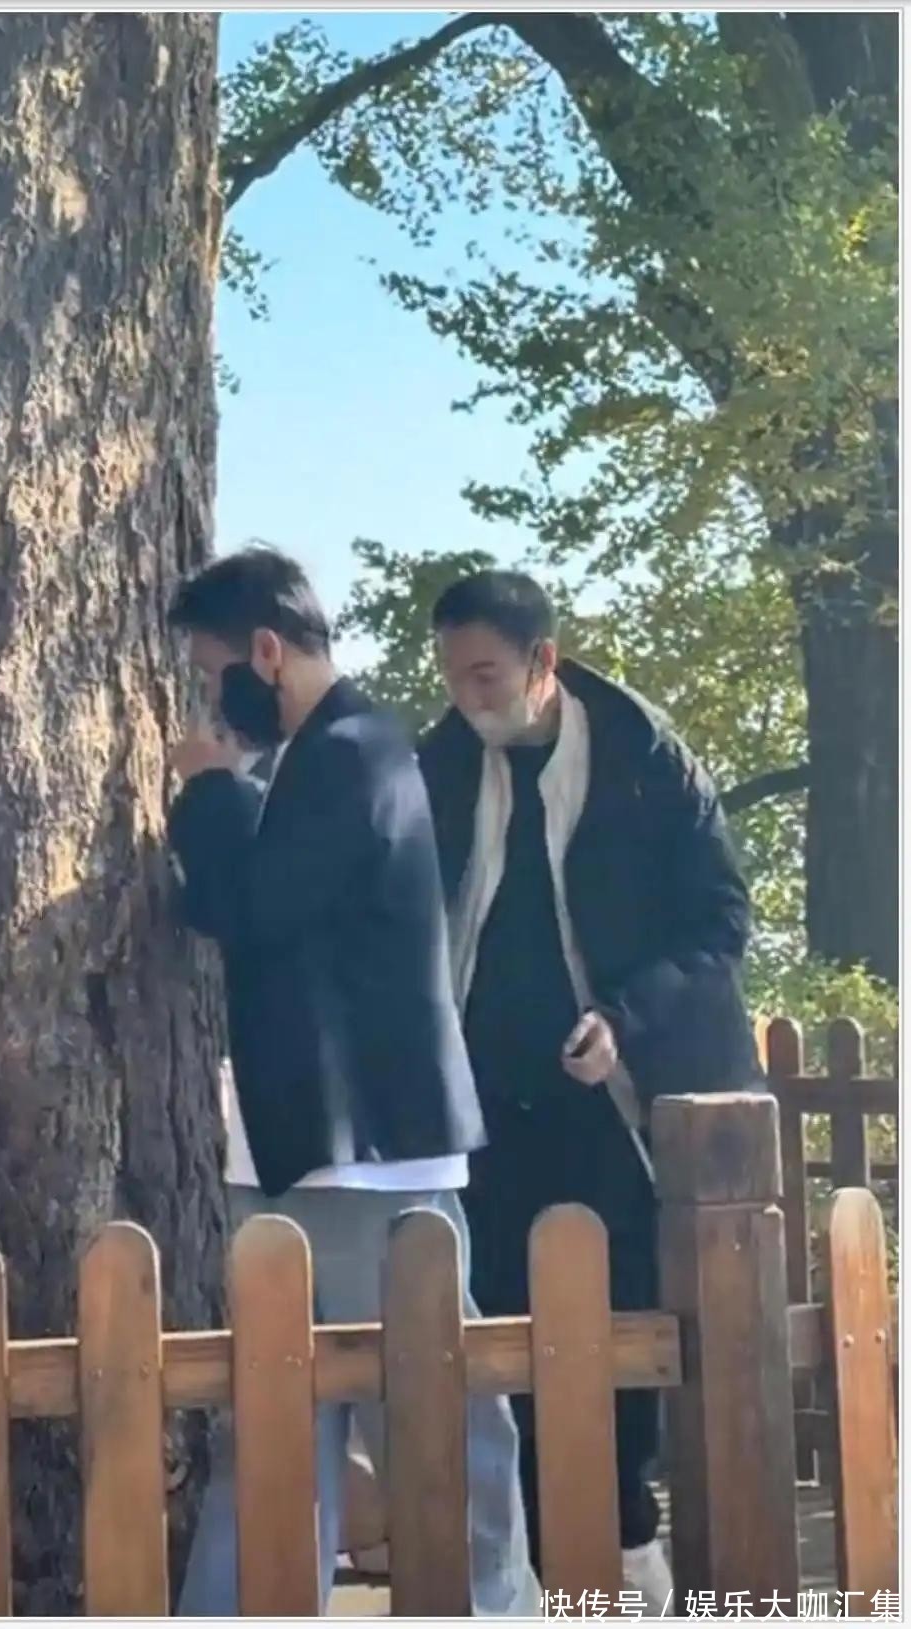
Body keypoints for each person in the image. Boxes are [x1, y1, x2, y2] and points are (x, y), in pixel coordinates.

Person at [166, 547, 540, 1617]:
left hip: (363, 1146)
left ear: (266, 652)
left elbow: (257, 905)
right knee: (278, 1414)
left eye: (214, 670)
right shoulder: (312, 758)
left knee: (429, 1410)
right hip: (301, 1144)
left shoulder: (358, 749)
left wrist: (207, 789)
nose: (212, 696)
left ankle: (491, 1606)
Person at [417, 570, 761, 1613]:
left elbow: (721, 924)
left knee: (621, 1325)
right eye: (452, 677)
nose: (468, 697)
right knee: (498, 1328)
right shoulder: (440, 763)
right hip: (484, 1102)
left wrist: (623, 1020)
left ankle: (628, 1551)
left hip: (617, 1099)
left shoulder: (644, 760)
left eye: (485, 674)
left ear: (544, 663)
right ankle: (531, 1574)